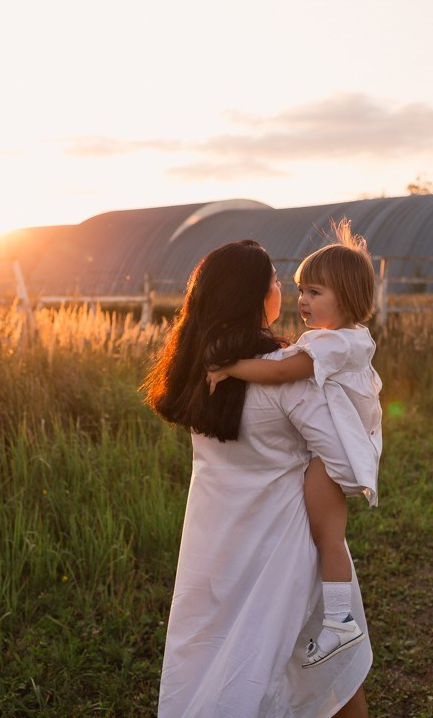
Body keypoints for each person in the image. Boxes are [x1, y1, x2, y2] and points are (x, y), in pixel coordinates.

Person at [144, 240, 371, 718]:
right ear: (253, 295)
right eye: (274, 280)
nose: (285, 291)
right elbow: (348, 470)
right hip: (284, 540)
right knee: (328, 668)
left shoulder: (201, 372)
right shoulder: (284, 377)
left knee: (212, 651)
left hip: (214, 540)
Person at [207, 221, 382, 669]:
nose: (302, 300)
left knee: (328, 536)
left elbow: (283, 373)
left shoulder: (333, 343)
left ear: (346, 299)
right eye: (302, 289)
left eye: (316, 292)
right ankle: (339, 616)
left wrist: (232, 367)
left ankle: (340, 620)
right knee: (327, 535)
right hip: (334, 447)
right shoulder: (345, 339)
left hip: (331, 456)